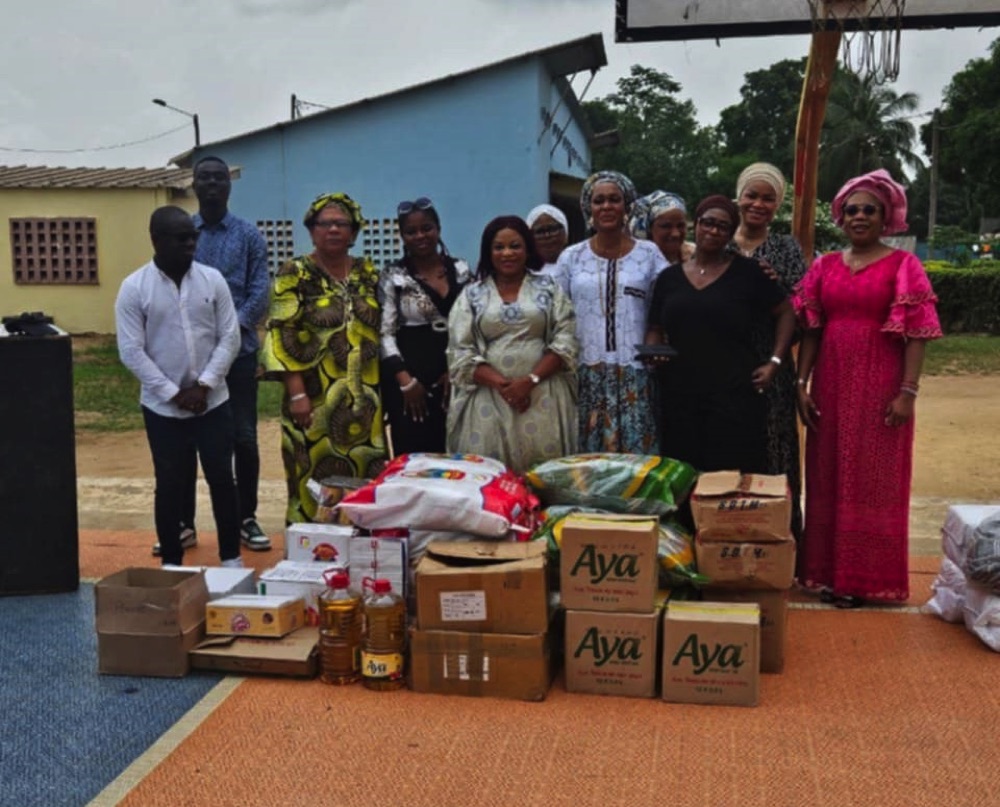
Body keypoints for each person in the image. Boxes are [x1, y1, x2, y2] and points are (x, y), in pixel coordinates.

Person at [794, 169, 942, 608]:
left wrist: (908, 392)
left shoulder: (904, 266)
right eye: (852, 210)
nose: (859, 216)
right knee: (827, 475)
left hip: (881, 387)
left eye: (869, 210)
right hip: (831, 385)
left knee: (874, 480)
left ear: (885, 217)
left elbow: (917, 334)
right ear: (841, 217)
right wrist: (801, 384)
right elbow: (812, 330)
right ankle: (825, 574)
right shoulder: (824, 266)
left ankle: (862, 579)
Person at [115, 206, 243, 568]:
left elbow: (230, 337)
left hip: (213, 403)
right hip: (163, 409)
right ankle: (171, 563)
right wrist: (174, 394)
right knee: (170, 483)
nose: (190, 243)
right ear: (156, 240)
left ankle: (231, 559)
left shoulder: (212, 280)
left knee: (222, 479)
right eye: (181, 237)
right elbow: (131, 351)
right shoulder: (134, 288)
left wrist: (204, 385)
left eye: (193, 236)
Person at [160, 155, 272, 559]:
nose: (211, 184)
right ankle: (183, 523)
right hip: (188, 358)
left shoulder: (248, 235)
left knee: (243, 438)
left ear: (229, 185)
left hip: (237, 356)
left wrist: (227, 333)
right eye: (203, 177)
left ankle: (246, 517)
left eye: (218, 178)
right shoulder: (181, 232)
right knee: (186, 438)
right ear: (193, 184)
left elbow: (260, 292)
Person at [260, 192, 387, 524]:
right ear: (311, 229)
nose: (333, 229)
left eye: (341, 223)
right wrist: (297, 394)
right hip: (313, 399)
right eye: (325, 223)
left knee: (365, 477)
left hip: (364, 401)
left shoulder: (367, 272)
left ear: (354, 231)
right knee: (311, 475)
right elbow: (281, 333)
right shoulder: (294, 273)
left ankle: (362, 545)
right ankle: (309, 544)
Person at [645, 195, 795, 475]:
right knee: (683, 476)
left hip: (734, 397)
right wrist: (653, 353)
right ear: (696, 225)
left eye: (723, 227)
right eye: (708, 223)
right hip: (680, 396)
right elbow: (655, 327)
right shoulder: (669, 278)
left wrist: (774, 361)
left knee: (729, 479)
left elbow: (786, 312)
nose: (713, 231)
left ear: (730, 233)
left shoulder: (749, 272)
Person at [446, 215, 578, 474]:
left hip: (543, 394)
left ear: (528, 249)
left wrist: (529, 381)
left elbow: (566, 338)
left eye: (515, 246)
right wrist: (503, 385)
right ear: (488, 252)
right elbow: (460, 349)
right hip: (489, 397)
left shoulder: (549, 288)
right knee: (490, 476)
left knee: (545, 476)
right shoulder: (472, 295)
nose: (507, 253)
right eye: (499, 247)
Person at [553, 170, 667, 454]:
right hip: (585, 372)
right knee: (587, 457)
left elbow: (668, 304)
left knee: (636, 456)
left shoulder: (649, 254)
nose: (606, 206)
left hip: (635, 372)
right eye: (599, 200)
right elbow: (557, 314)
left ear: (627, 206)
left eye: (614, 200)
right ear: (588, 208)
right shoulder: (571, 257)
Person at [730, 162, 808, 540]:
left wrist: (779, 288)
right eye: (752, 195)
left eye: (768, 198)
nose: (758, 204)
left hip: (772, 366)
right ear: (739, 197)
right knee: (730, 449)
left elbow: (804, 307)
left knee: (776, 449)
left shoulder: (786, 248)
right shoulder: (721, 242)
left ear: (777, 205)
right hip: (725, 364)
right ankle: (728, 536)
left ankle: (781, 541)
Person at [378, 197, 471, 455]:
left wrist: (455, 371)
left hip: (456, 376)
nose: (420, 236)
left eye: (426, 228)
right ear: (402, 236)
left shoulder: (461, 270)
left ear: (438, 229)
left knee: (457, 453)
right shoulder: (393, 276)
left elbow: (472, 323)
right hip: (411, 382)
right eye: (411, 231)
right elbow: (385, 333)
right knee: (415, 457)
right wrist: (405, 381)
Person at [628, 190, 694, 266]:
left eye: (680, 226)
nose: (676, 234)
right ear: (649, 228)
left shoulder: (696, 257)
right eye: (666, 226)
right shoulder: (633, 265)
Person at [525, 204, 569, 275]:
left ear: (566, 233)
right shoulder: (521, 274)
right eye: (539, 231)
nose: (547, 236)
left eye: (553, 229)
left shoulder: (579, 267)